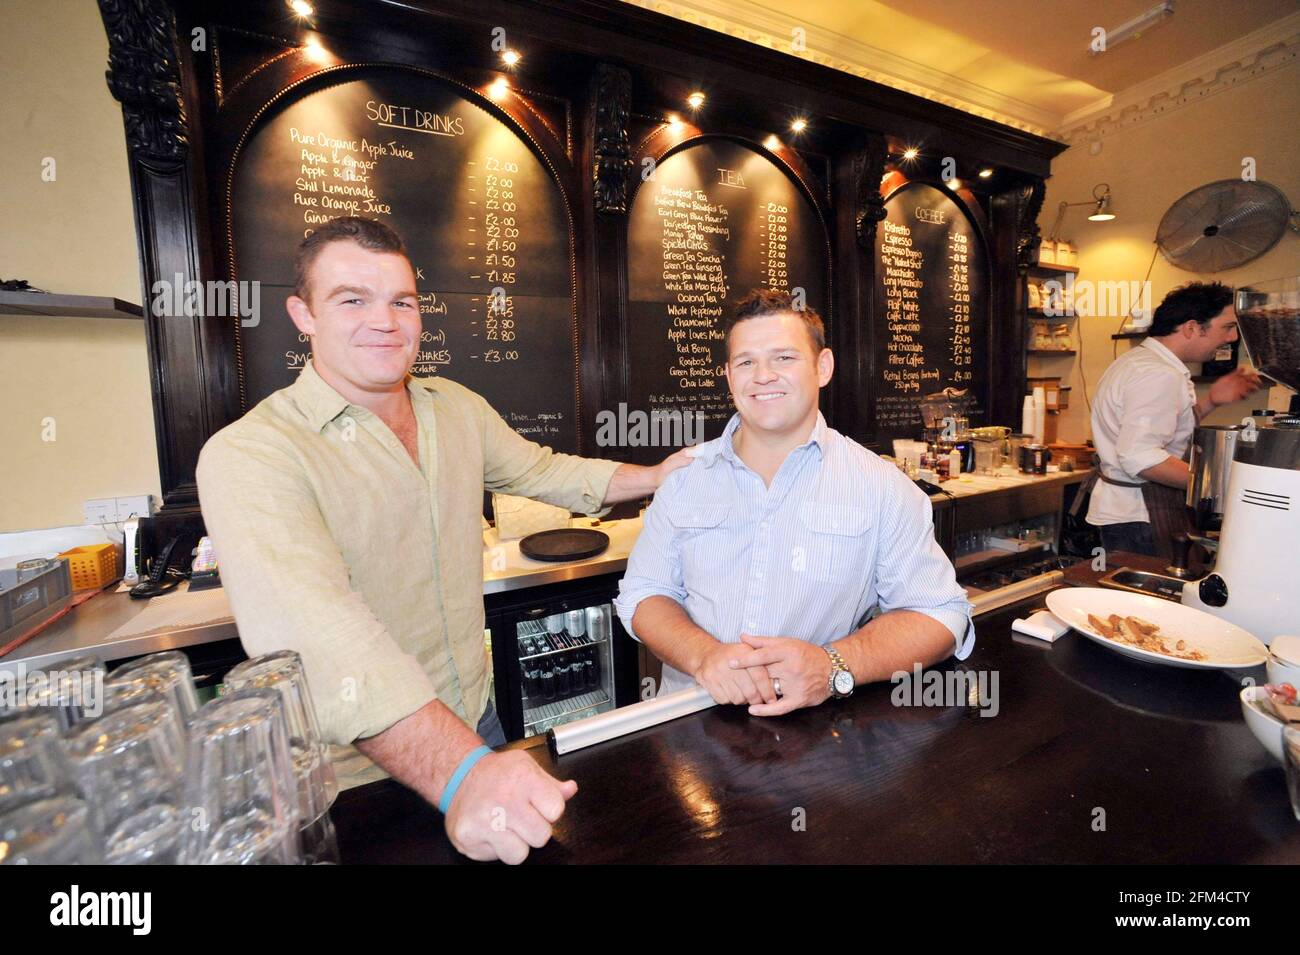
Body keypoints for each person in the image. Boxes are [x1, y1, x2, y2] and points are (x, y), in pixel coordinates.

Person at [197, 216, 688, 864]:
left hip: (477, 722)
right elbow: (319, 639)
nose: (385, 321)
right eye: (352, 300)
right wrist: (461, 773)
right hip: (351, 778)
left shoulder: (454, 407)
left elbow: (543, 471)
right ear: (303, 315)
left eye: (402, 301)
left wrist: (654, 475)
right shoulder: (251, 453)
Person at [614, 289, 973, 715]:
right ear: (728, 376)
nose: (763, 375)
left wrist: (832, 665)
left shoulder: (882, 487)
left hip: (819, 723)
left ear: (823, 367)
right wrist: (703, 655)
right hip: (688, 720)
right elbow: (645, 593)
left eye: (783, 357)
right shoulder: (684, 478)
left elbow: (939, 615)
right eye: (746, 362)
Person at [1086, 282, 1262, 559]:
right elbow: (1140, 457)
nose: (1232, 337)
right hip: (1142, 516)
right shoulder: (1159, 374)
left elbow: (1163, 430)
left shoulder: (1137, 362)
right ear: (1192, 328)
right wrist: (1218, 487)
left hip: (1130, 513)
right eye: (1227, 327)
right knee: (1157, 587)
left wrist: (1211, 400)